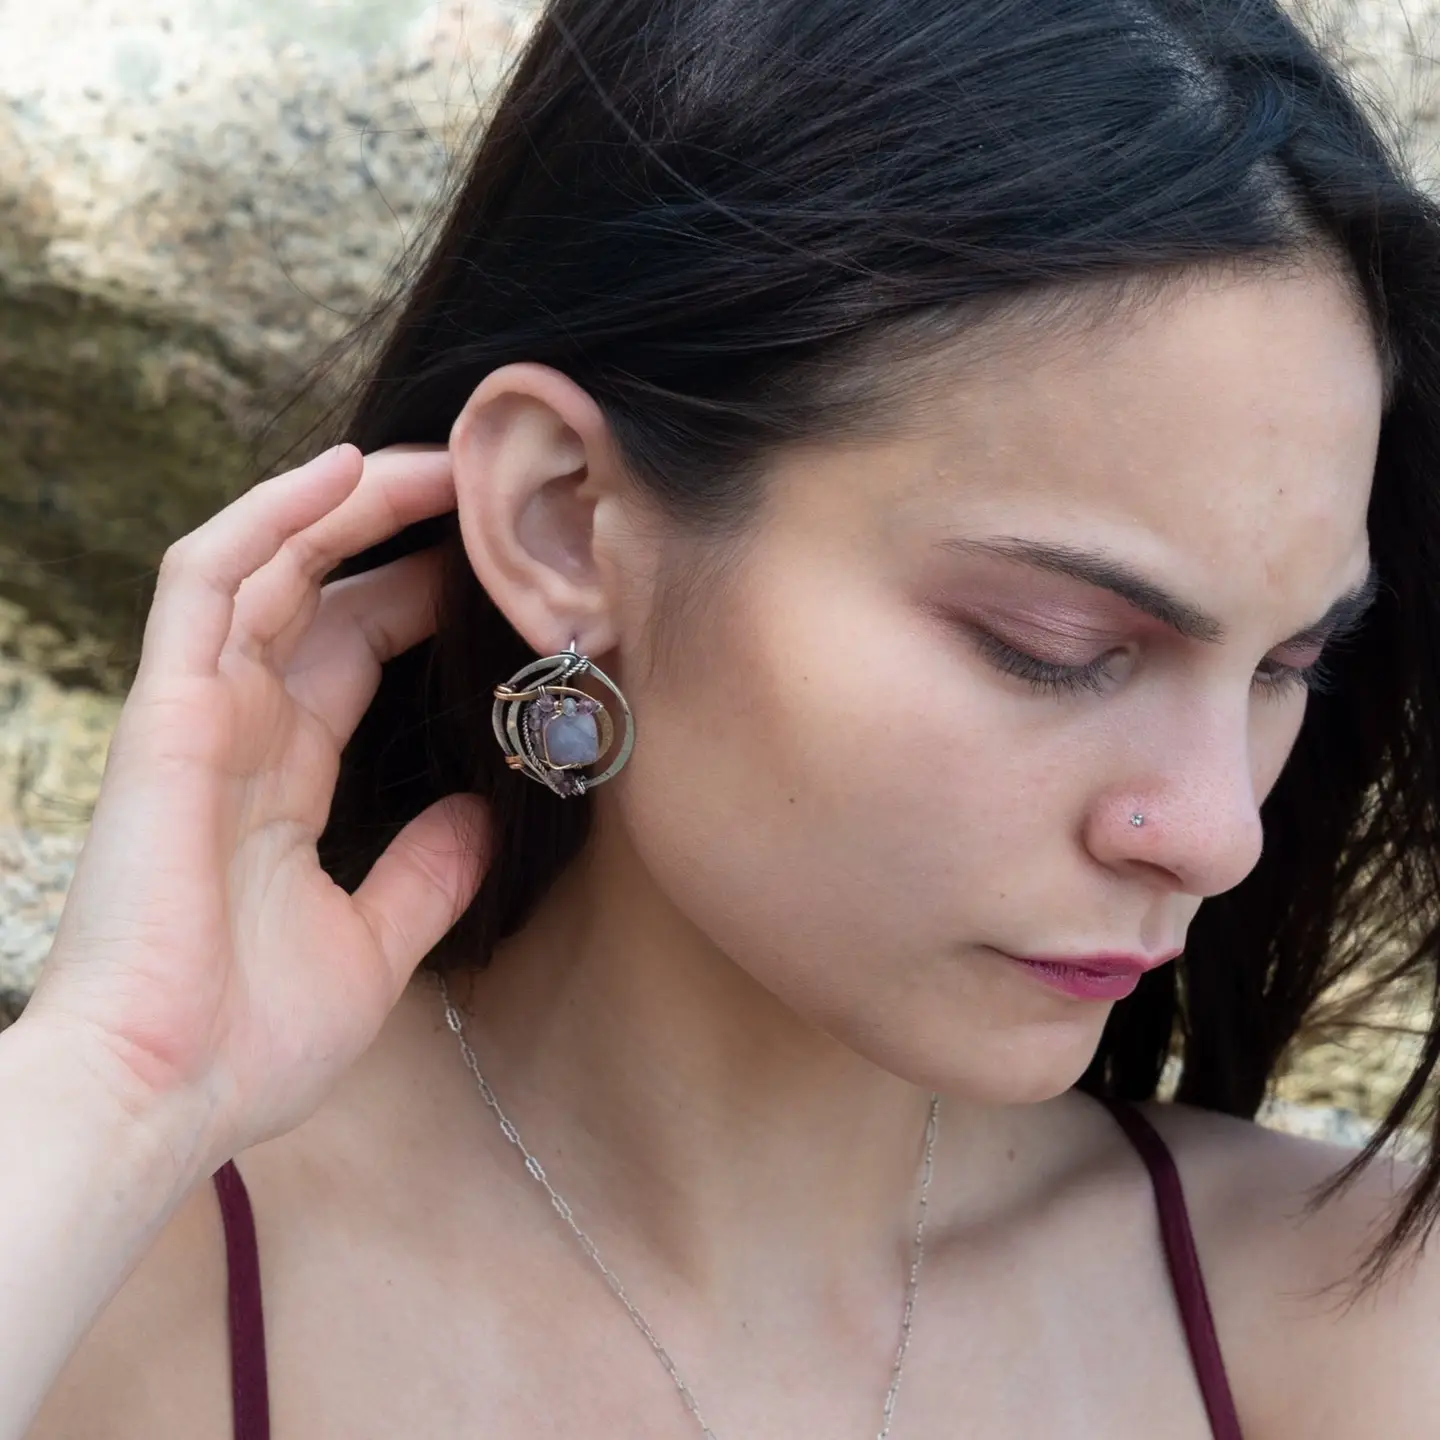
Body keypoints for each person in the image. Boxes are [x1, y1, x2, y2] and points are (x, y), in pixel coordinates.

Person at [7, 0, 1440, 1434]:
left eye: (1285, 667)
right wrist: (113, 1085)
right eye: (1053, 645)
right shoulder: (101, 1282)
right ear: (566, 521)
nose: (1216, 833)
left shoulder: (1355, 1320)